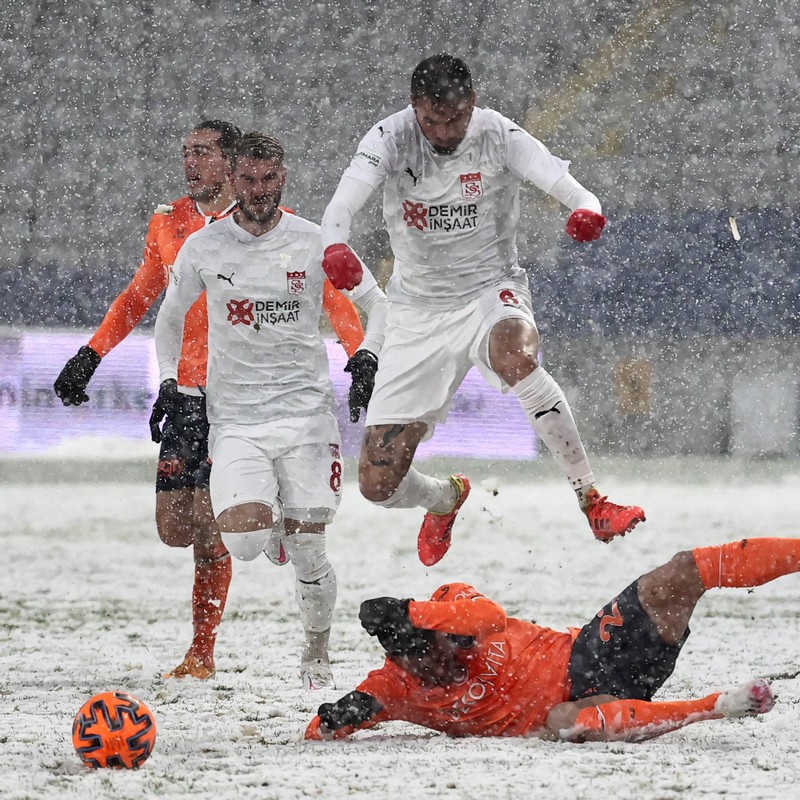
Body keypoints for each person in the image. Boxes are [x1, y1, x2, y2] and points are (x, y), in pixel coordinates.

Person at [53, 121, 366, 682]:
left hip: (236, 396)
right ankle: (268, 522)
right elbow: (142, 296)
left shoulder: (281, 233)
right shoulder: (170, 225)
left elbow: (332, 297)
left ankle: (203, 650)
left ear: (230, 164)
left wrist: (357, 352)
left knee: (213, 526)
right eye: (185, 153)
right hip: (186, 393)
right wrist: (92, 353)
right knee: (175, 526)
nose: (189, 163)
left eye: (201, 152)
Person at [320, 53, 645, 567]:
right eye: (432, 121)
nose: (444, 133)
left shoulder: (500, 135)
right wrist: (334, 246)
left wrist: (587, 211)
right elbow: (338, 211)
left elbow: (576, 190)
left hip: (489, 290)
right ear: (415, 109)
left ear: (472, 103)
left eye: (454, 120)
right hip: (415, 310)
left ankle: (592, 499)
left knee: (517, 356)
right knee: (378, 485)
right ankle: (445, 499)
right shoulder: (387, 138)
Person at [154, 132, 388, 689]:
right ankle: (278, 521)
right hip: (235, 420)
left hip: (307, 418)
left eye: (269, 180)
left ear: (282, 177)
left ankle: (316, 652)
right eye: (248, 180)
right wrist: (169, 382)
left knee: (309, 551)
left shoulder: (315, 244)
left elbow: (377, 303)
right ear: (232, 180)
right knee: (244, 542)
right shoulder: (204, 247)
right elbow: (168, 317)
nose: (258, 191)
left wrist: (368, 359)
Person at [304, 535, 800, 741]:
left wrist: (414, 612)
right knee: (567, 722)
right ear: (400, 664)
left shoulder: (453, 607)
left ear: (440, 630)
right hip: (576, 713)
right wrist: (337, 717)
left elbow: (490, 615)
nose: (439, 667)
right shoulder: (394, 688)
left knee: (678, 573)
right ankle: (717, 705)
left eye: (439, 650)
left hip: (591, 653)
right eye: (424, 669)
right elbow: (322, 729)